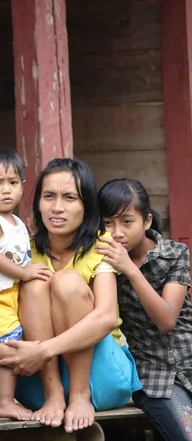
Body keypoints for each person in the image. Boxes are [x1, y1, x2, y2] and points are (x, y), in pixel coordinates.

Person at [0, 158, 141, 433]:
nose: (57, 207)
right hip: (39, 382)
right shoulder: (23, 251)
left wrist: (44, 349)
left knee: (66, 282)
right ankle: (55, 396)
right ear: (37, 203)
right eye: (49, 196)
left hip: (101, 378)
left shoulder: (102, 247)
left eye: (70, 198)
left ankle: (78, 395)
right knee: (35, 282)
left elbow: (107, 317)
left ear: (86, 206)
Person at [97, 178, 192, 441]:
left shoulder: (174, 254)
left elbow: (167, 319)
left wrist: (130, 269)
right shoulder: (103, 263)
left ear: (147, 221)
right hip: (154, 379)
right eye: (107, 222)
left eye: (127, 221)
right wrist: (125, 267)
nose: (117, 232)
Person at [0, 147, 52, 421]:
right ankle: (3, 401)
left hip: (12, 295)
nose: (6, 190)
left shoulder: (16, 221)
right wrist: (24, 273)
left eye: (13, 183)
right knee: (10, 347)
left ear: (23, 186)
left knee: (20, 342)